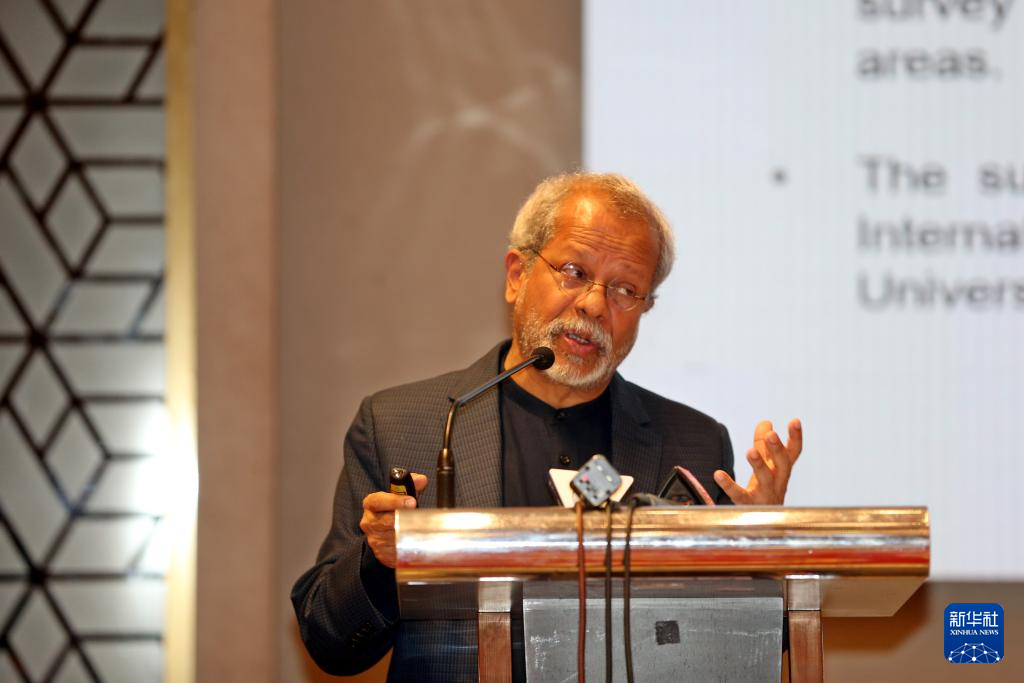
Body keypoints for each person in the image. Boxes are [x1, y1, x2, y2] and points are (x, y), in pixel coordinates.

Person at [291, 172, 803, 681]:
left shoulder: (693, 444)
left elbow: (736, 650)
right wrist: (379, 561)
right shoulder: (405, 425)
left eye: (625, 289)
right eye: (575, 272)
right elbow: (331, 642)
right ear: (517, 275)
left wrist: (762, 558)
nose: (594, 305)